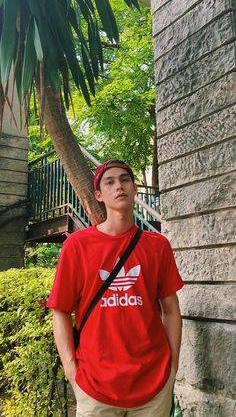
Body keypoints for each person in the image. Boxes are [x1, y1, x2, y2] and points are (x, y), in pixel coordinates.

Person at [47, 159, 184, 417]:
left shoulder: (157, 246)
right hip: (94, 386)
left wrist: (172, 367)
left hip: (153, 385)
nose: (118, 186)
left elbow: (171, 309)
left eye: (125, 180)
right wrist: (70, 369)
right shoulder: (77, 246)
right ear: (98, 195)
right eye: (109, 182)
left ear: (133, 188)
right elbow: (60, 311)